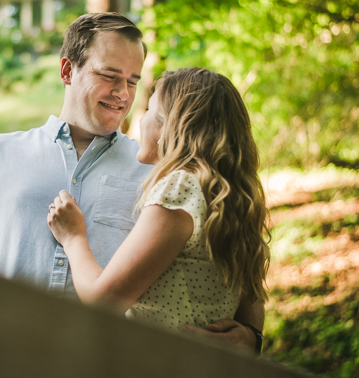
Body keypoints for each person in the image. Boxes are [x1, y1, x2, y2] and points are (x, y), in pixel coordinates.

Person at [0, 13, 264, 352]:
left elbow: (234, 256)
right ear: (67, 71)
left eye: (133, 82)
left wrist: (252, 334)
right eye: (109, 75)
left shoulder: (164, 175)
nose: (123, 94)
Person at [47, 68, 270, 341]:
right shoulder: (228, 195)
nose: (140, 120)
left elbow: (102, 302)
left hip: (160, 369)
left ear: (169, 126)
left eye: (150, 110)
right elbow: (250, 304)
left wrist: (73, 237)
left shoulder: (180, 189)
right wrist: (252, 337)